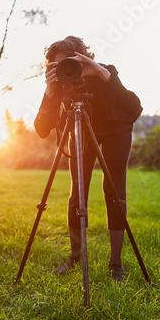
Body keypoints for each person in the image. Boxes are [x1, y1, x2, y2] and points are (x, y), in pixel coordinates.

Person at [33, 36, 142, 282]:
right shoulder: (60, 82)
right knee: (77, 191)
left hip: (117, 129)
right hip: (81, 130)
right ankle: (74, 257)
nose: (66, 69)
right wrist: (50, 90)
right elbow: (41, 129)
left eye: (71, 63)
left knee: (114, 190)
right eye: (57, 66)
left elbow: (134, 107)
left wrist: (101, 74)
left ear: (84, 57)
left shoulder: (105, 72)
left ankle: (116, 263)